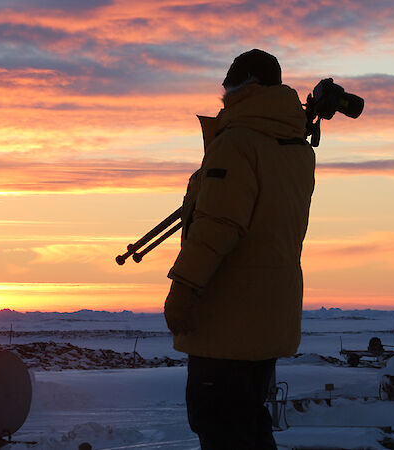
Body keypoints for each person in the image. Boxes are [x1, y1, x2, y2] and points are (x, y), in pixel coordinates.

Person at [164, 49, 316, 449]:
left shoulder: (237, 141)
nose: (223, 97)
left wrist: (184, 286)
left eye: (228, 88)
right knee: (249, 425)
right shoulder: (295, 148)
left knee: (221, 425)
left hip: (225, 323)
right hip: (267, 321)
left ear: (243, 85)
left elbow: (218, 225)